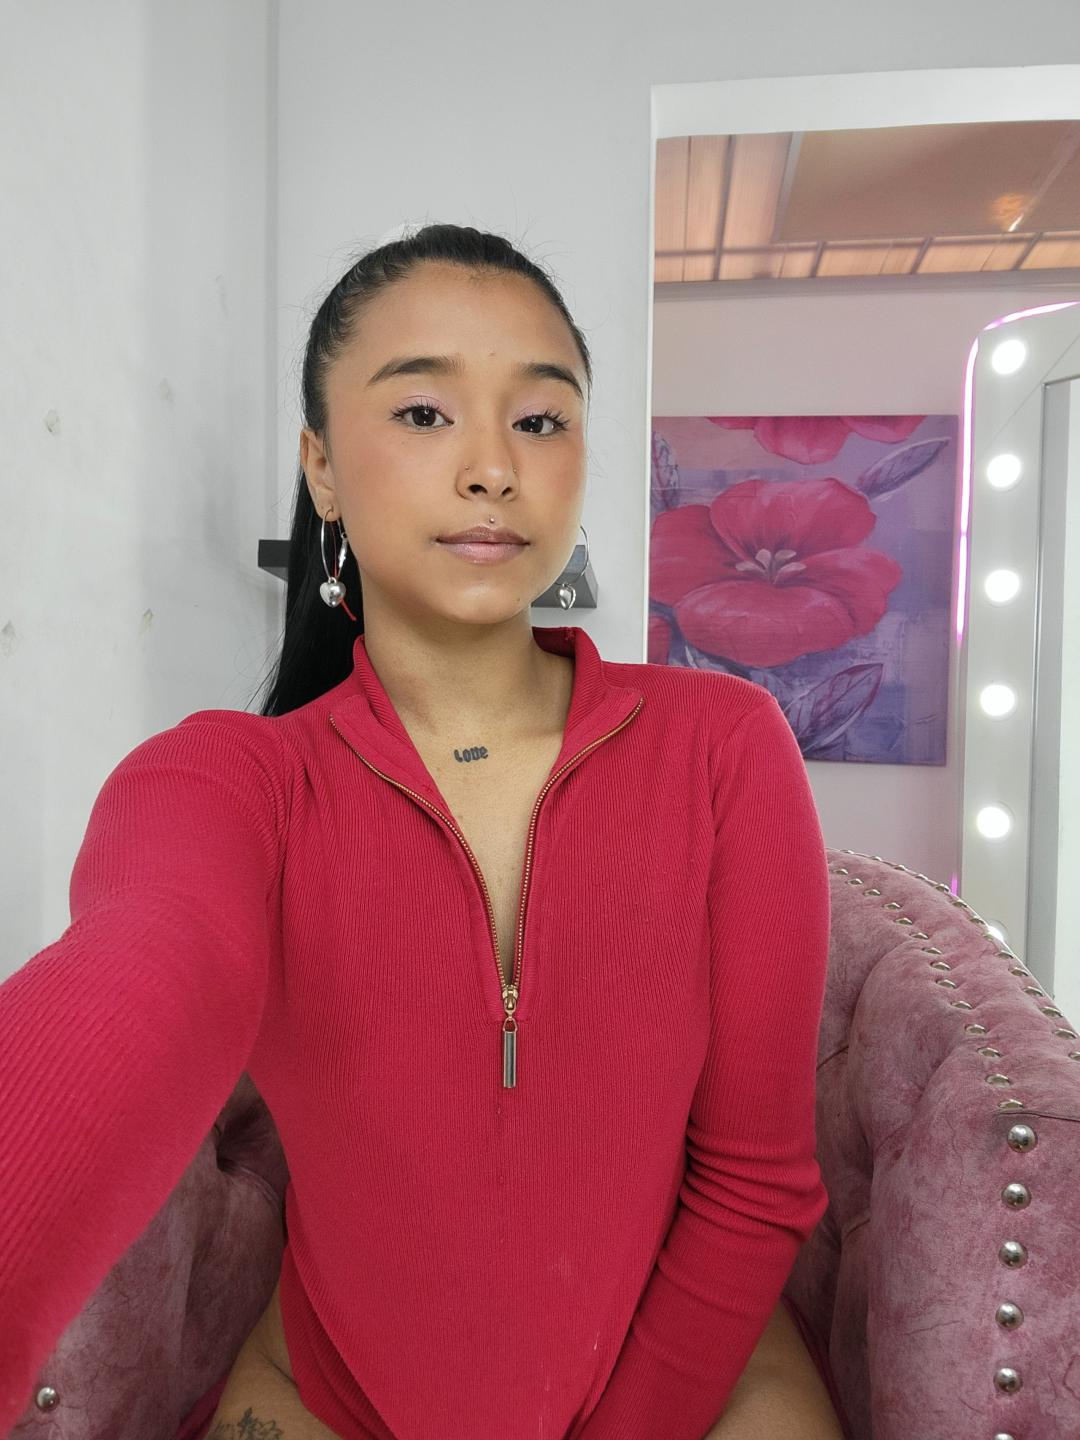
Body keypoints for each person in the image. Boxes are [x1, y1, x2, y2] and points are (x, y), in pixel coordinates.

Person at [0, 223, 847, 1440]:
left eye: (540, 419)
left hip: (692, 1391)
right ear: (322, 468)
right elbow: (148, 976)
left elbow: (758, 1181)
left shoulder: (723, 745)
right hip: (327, 1397)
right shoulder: (234, 780)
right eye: (422, 414)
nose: (493, 466)